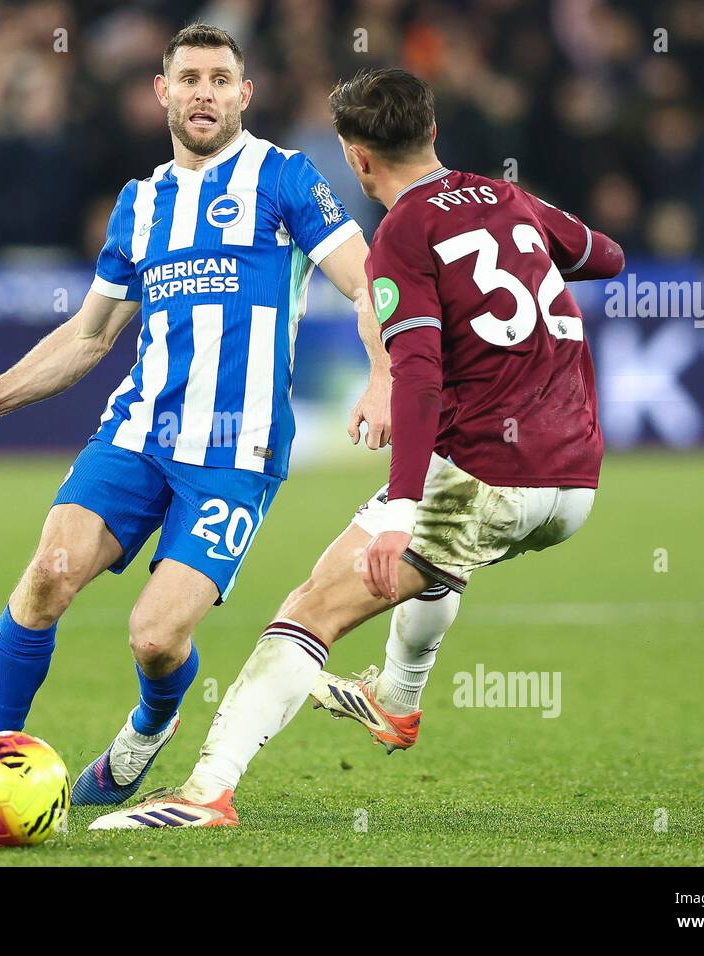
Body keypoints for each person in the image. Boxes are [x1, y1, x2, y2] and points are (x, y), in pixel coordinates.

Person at [88, 67, 625, 829]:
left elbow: (419, 375)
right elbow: (605, 256)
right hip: (575, 484)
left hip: (489, 479)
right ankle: (397, 698)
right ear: (433, 131)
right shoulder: (509, 199)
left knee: (309, 611)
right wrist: (523, 243)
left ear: (356, 158)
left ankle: (206, 792)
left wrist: (402, 504)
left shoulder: (403, 232)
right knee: (440, 559)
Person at [0, 25, 390, 807]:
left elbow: (366, 279)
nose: (205, 92)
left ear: (244, 94)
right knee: (45, 579)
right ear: (162, 93)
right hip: (137, 434)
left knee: (156, 636)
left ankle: (148, 727)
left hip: (236, 452)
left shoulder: (285, 178)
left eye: (220, 79)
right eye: (190, 78)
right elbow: (91, 334)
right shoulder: (139, 205)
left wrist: (381, 374)